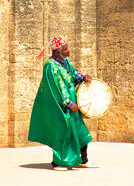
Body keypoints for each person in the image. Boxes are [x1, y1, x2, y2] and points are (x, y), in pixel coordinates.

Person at [28, 36, 99, 170]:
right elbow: (55, 87)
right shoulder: (50, 66)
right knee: (62, 133)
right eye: (65, 49)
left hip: (72, 104)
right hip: (60, 106)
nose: (68, 51)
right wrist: (67, 103)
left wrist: (83, 77)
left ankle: (83, 159)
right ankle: (58, 162)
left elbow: (73, 74)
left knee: (81, 132)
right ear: (57, 51)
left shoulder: (65, 62)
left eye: (67, 48)